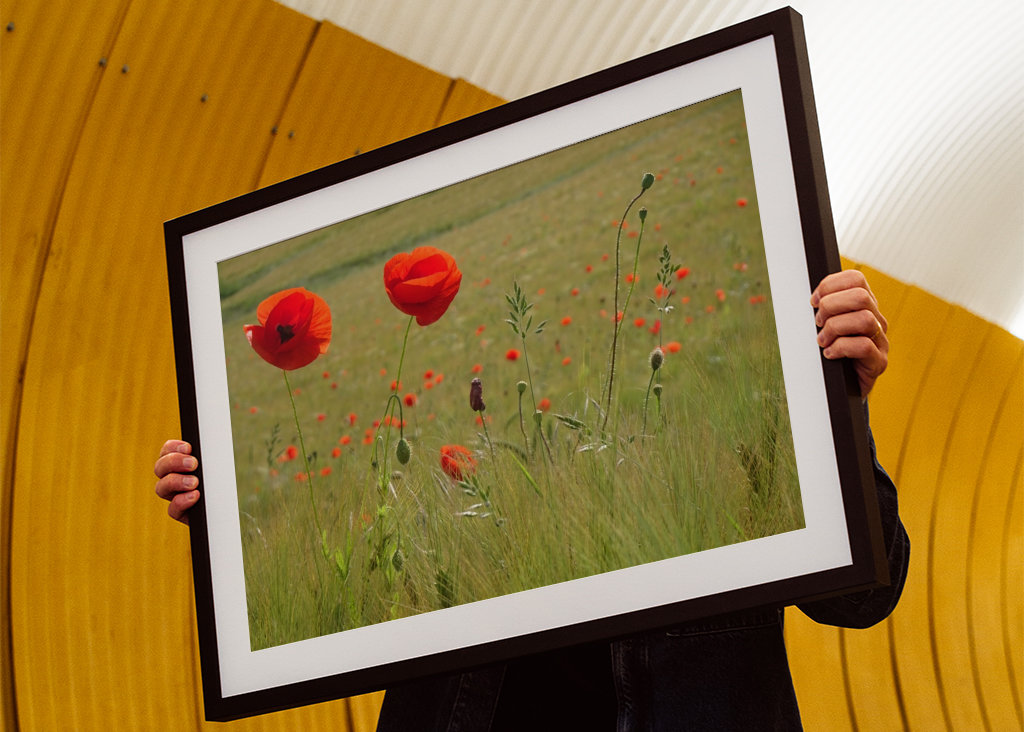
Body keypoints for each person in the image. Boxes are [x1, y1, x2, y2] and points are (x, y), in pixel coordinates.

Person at [155, 270, 909, 730]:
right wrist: (226, 525)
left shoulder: (754, 410)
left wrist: (839, 403)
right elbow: (358, 592)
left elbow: (865, 596)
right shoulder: (471, 495)